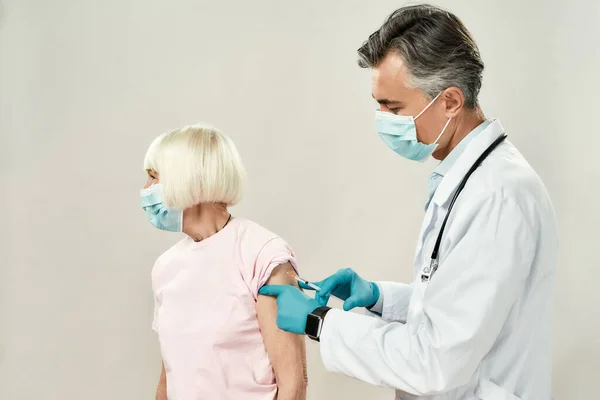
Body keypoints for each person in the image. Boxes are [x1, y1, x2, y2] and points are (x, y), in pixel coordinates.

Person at [260, 4, 558, 399]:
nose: (383, 119)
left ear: (450, 101)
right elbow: (460, 307)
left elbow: (435, 362)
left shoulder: (499, 195)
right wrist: (381, 297)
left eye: (393, 107)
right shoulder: (471, 179)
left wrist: (320, 322)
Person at [140, 124, 307, 400]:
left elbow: (293, 383)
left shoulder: (262, 254)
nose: (146, 190)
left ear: (189, 178)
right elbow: (171, 374)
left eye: (154, 178)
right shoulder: (165, 267)